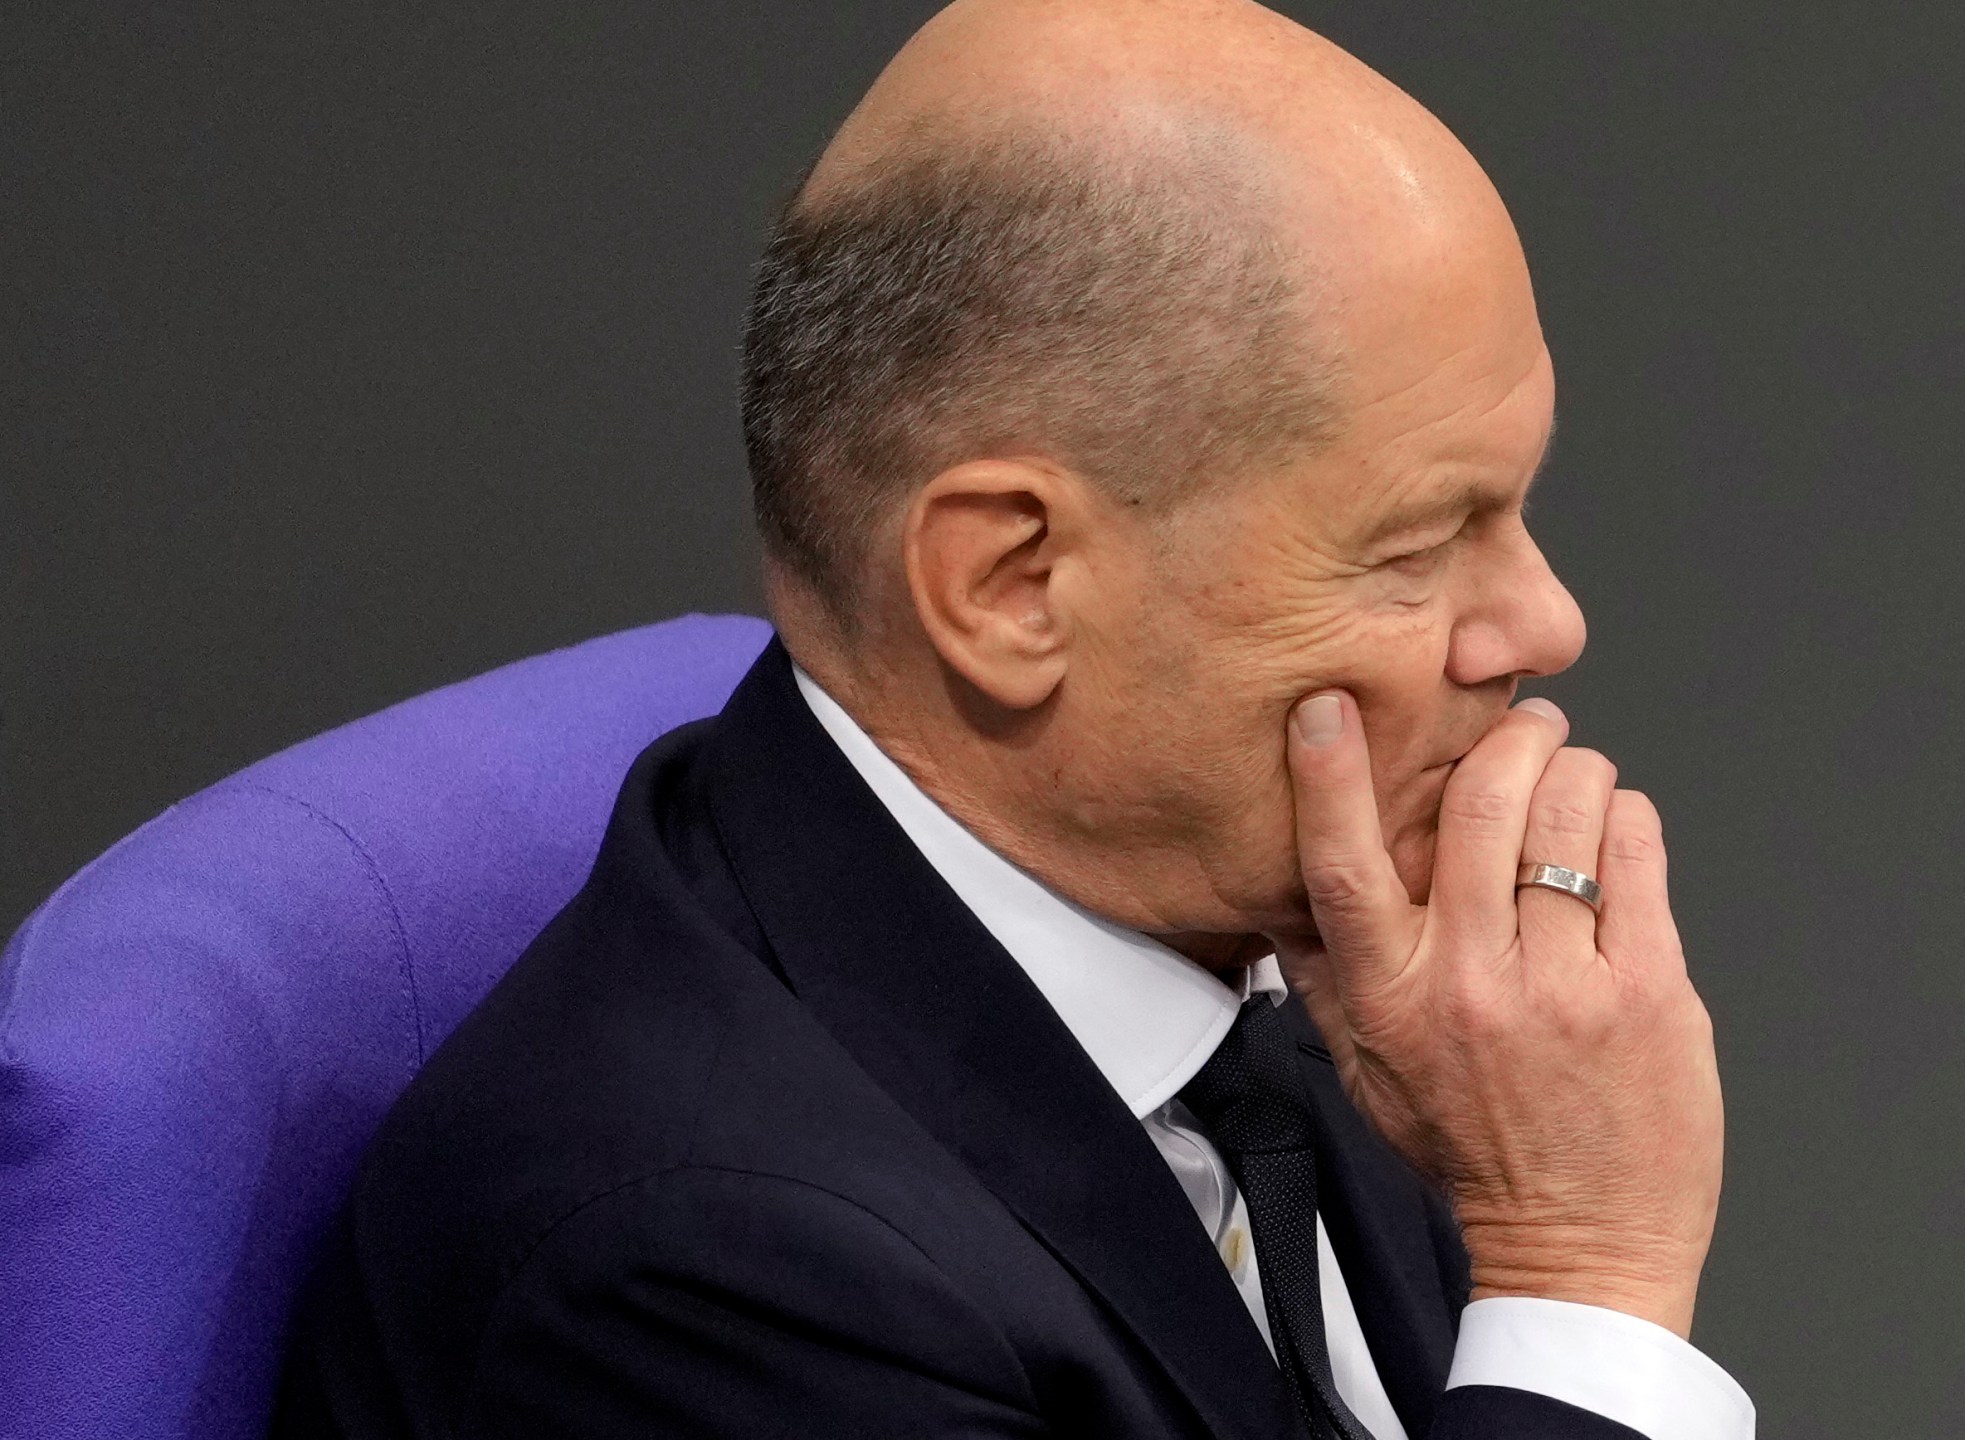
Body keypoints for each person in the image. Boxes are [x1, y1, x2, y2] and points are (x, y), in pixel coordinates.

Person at [275, 1, 1749, 1435]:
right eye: (1422, 543)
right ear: (1010, 585)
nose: (1546, 623)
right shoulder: (701, 1278)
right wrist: (1582, 1279)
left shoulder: (1297, 975)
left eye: (1519, 506)